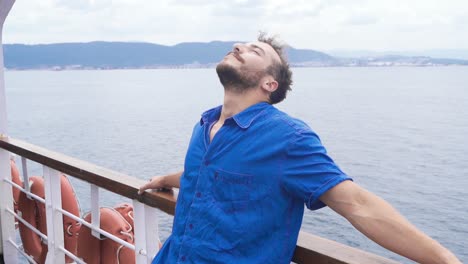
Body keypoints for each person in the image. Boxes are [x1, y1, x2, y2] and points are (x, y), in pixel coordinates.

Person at [139, 33, 461, 264]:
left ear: (269, 84)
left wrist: (443, 258)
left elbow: (357, 204)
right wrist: (167, 178)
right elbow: (207, 172)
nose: (238, 46)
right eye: (242, 44)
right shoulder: (205, 125)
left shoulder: (287, 139)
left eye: (254, 50)